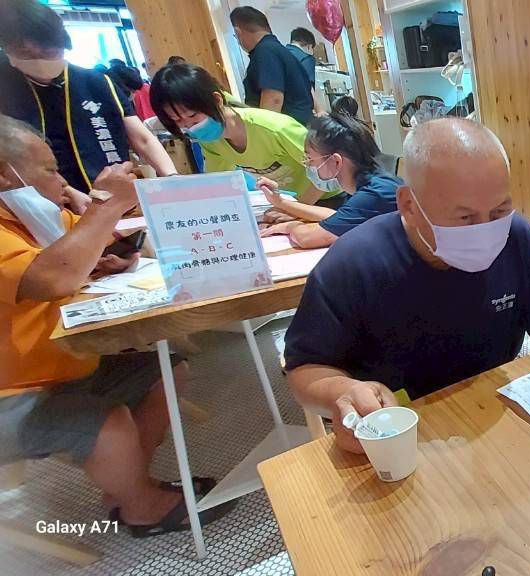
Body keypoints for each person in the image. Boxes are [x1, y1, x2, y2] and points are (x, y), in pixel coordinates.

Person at [284, 118, 530, 454]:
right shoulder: (353, 262)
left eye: (499, 211)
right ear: (409, 205)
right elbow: (304, 368)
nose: (485, 230)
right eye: (465, 218)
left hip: (493, 413)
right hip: (396, 434)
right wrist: (341, 392)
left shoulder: (517, 238)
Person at [0, 114, 232, 535]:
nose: (61, 182)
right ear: (5, 175)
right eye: (50, 171)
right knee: (111, 423)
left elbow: (91, 243)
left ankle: (126, 488)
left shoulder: (34, 218)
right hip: (12, 395)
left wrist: (110, 258)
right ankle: (142, 509)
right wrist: (107, 205)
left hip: (68, 366)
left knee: (166, 371)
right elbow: (52, 277)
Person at [0, 0, 177, 208]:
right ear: (7, 49)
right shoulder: (6, 89)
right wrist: (67, 191)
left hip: (115, 199)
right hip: (51, 207)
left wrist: (172, 178)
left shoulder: (95, 82)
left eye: (48, 52)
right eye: (27, 55)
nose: (39, 60)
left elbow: (142, 138)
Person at [150, 63, 337, 208]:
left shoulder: (273, 128)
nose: (190, 127)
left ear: (217, 100)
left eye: (192, 116)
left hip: (327, 197)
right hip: (291, 201)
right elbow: (220, 185)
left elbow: (329, 171)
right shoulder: (210, 141)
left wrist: (296, 209)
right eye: (178, 121)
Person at [259, 112, 402, 248]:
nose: (308, 165)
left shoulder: (375, 193)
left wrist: (290, 227)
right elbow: (336, 217)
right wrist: (280, 202)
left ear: (336, 161)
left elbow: (307, 238)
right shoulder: (375, 184)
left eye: (310, 158)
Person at [229, 6, 314, 126]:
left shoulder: (265, 51)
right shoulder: (276, 49)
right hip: (299, 125)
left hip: (287, 129)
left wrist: (262, 133)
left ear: (238, 32)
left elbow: (274, 99)